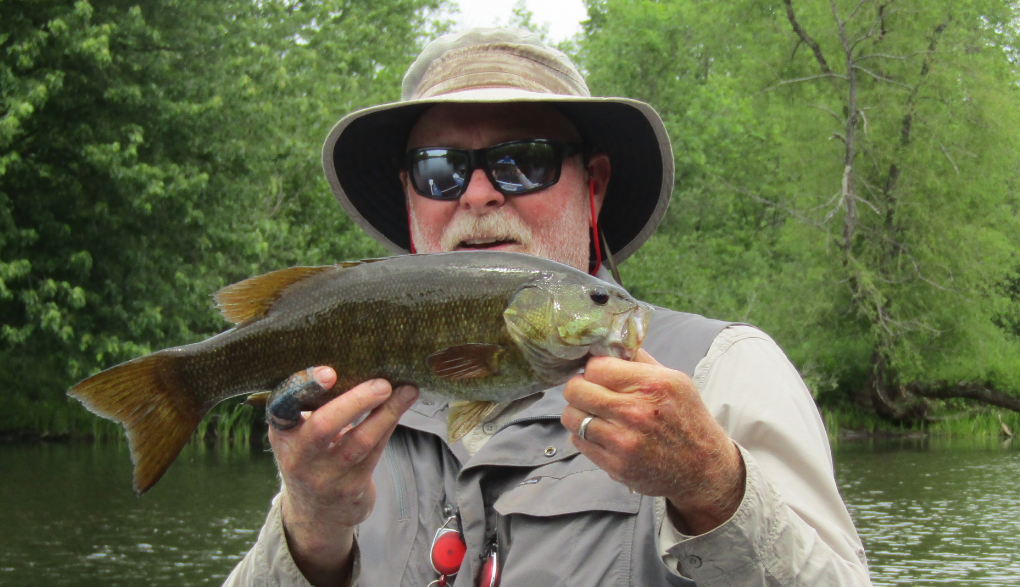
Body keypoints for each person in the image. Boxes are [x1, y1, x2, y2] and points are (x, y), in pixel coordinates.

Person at [225, 28, 873, 587]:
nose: (477, 193)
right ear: (408, 194)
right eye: (440, 168)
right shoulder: (340, 420)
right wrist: (309, 527)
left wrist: (713, 486)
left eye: (521, 160)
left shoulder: (724, 372)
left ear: (592, 183)